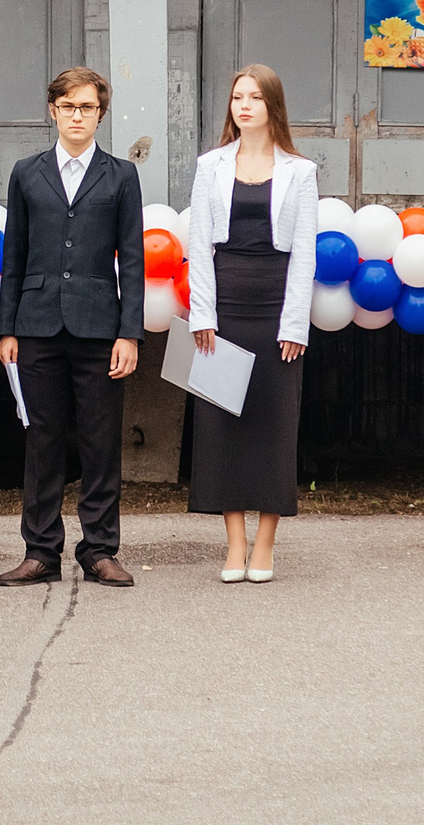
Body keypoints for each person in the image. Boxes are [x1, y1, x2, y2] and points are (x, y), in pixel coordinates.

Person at [0, 66, 146, 588]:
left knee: (102, 441)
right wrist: (6, 329)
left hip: (100, 326)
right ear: (52, 111)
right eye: (67, 106)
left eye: (86, 107)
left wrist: (130, 332)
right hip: (36, 325)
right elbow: (13, 255)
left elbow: (133, 260)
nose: (76, 115)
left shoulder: (121, 174)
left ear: (101, 113)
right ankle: (40, 551)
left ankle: (100, 548)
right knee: (42, 439)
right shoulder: (26, 171)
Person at [182, 65, 319, 584]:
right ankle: (234, 545)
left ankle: (265, 545)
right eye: (237, 97)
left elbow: (304, 253)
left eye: (254, 98)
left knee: (273, 426)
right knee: (222, 427)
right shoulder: (209, 165)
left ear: (272, 107)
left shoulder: (300, 172)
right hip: (223, 309)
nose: (243, 106)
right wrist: (203, 314)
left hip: (275, 308)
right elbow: (199, 247)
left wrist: (294, 324)